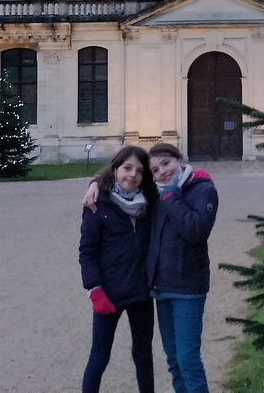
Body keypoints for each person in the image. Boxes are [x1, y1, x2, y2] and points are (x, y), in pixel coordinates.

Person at [84, 143, 218, 393]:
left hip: (165, 289)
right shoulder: (119, 201)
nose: (132, 174)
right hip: (133, 289)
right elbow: (88, 250)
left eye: (165, 164)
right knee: (106, 357)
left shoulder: (164, 196)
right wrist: (94, 183)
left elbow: (193, 223)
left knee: (170, 358)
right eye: (155, 169)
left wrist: (185, 182)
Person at [79, 145, 158, 393]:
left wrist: (199, 177)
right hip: (109, 292)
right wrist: (94, 288)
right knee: (99, 356)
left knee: (143, 355)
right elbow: (87, 251)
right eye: (126, 168)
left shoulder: (149, 203)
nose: (132, 175)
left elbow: (171, 176)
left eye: (139, 171)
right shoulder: (97, 205)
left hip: (141, 292)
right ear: (115, 169)